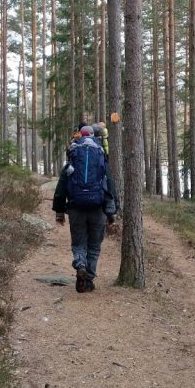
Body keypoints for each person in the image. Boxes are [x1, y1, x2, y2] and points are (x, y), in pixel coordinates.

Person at [52, 125, 119, 293]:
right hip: (98, 208)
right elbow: (109, 185)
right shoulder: (100, 155)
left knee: (79, 243)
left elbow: (61, 185)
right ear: (95, 137)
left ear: (79, 136)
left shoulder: (73, 156)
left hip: (76, 207)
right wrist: (112, 213)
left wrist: (59, 211)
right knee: (94, 247)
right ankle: (88, 281)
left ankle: (80, 265)